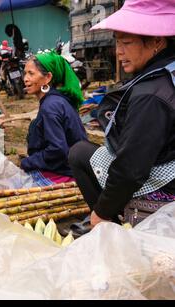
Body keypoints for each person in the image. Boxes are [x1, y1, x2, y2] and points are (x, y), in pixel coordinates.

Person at [68, 0, 175, 227]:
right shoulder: (168, 70)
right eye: (117, 42)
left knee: (79, 153)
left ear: (157, 40)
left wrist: (102, 211)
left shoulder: (151, 95)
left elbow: (130, 170)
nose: (118, 52)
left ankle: (113, 226)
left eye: (126, 42)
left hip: (167, 181)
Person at [21, 50, 87, 186]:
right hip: (73, 168)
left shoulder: (50, 106)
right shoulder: (57, 100)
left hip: (65, 173)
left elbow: (58, 150)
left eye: (31, 73)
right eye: (25, 73)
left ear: (48, 77)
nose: (25, 79)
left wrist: (27, 162)